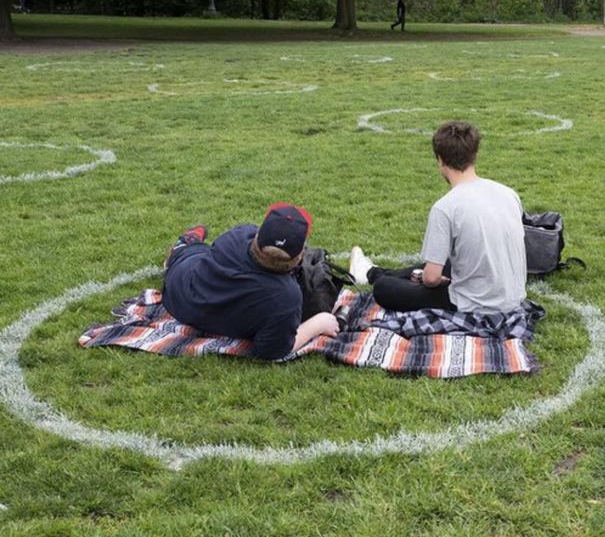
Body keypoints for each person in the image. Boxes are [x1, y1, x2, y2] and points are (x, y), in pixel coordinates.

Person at [349, 121, 527, 313]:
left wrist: (437, 282)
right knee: (445, 263)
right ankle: (371, 272)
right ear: (474, 155)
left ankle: (375, 276)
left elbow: (431, 279)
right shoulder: (508, 193)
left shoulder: (445, 207)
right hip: (512, 297)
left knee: (384, 288)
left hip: (476, 304)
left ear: (440, 160)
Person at [162, 203, 339, 360]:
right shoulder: (286, 297)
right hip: (192, 301)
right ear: (300, 255)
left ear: (257, 236)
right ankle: (185, 244)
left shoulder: (237, 236)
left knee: (192, 253)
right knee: (189, 250)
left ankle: (186, 245)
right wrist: (319, 323)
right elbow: (273, 350)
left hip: (178, 296)